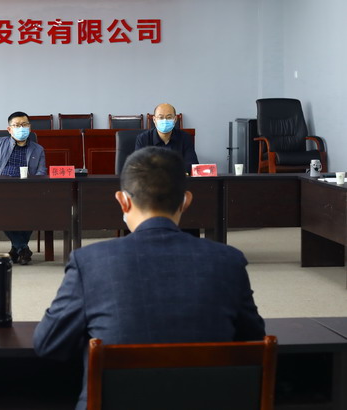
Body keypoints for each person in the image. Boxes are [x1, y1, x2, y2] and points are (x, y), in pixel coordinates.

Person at [33, 147, 265, 409]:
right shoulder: (228, 260)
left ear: (123, 201)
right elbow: (253, 339)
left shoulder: (90, 262)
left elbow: (48, 343)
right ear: (186, 200)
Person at [0, 111, 47, 265]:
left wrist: (34, 184)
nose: (21, 128)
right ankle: (23, 248)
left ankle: (17, 249)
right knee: (2, 209)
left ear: (30, 127)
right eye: (17, 125)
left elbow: (41, 172)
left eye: (24, 124)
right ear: (9, 129)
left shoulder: (38, 149)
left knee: (30, 208)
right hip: (0, 189)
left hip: (26, 189)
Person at [134, 102, 198, 173]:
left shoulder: (185, 138)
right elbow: (139, 166)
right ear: (154, 120)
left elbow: (191, 165)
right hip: (152, 179)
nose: (165, 120)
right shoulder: (143, 139)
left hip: (177, 179)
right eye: (161, 117)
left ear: (175, 119)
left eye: (169, 117)